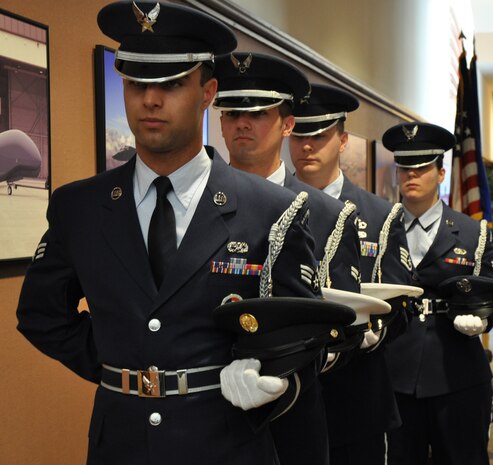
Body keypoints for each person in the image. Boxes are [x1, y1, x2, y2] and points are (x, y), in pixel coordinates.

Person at [15, 3, 322, 464]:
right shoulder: (80, 207)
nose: (150, 100)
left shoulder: (270, 209)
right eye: (136, 83)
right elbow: (42, 314)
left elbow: (308, 334)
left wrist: (265, 371)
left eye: (172, 85)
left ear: (207, 92)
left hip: (226, 443)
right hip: (119, 445)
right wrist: (120, 360)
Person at [214, 53, 362, 465]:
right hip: (203, 412)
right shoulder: (194, 205)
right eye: (232, 112)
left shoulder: (327, 214)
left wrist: (283, 365)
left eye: (260, 112)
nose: (243, 123)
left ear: (287, 123)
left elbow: (343, 328)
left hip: (291, 409)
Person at [289, 84, 413, 465]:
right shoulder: (262, 203)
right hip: (283, 394)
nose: (307, 146)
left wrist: (376, 333)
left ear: (342, 140)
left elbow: (402, 302)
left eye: (320, 136)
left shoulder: (378, 214)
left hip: (356, 393)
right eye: (299, 136)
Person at [382, 122, 493, 465]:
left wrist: (483, 320)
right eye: (405, 168)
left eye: (422, 168)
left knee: (463, 456)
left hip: (456, 368)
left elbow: (490, 292)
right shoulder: (379, 226)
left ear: (441, 172)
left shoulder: (469, 231)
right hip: (396, 371)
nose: (412, 176)